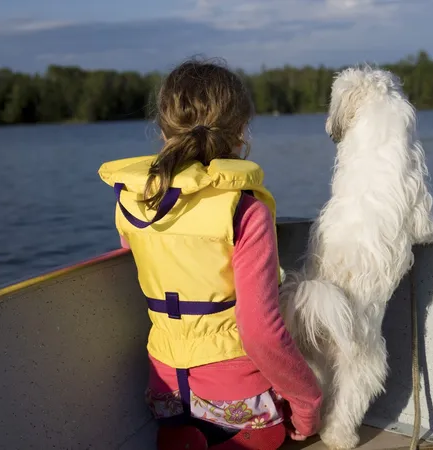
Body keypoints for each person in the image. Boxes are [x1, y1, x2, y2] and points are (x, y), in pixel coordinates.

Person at [98, 60, 322, 450]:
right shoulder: (242, 209)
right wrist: (308, 404)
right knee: (282, 424)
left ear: (164, 126)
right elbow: (260, 332)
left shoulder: (133, 203)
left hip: (165, 395)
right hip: (235, 400)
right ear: (241, 131)